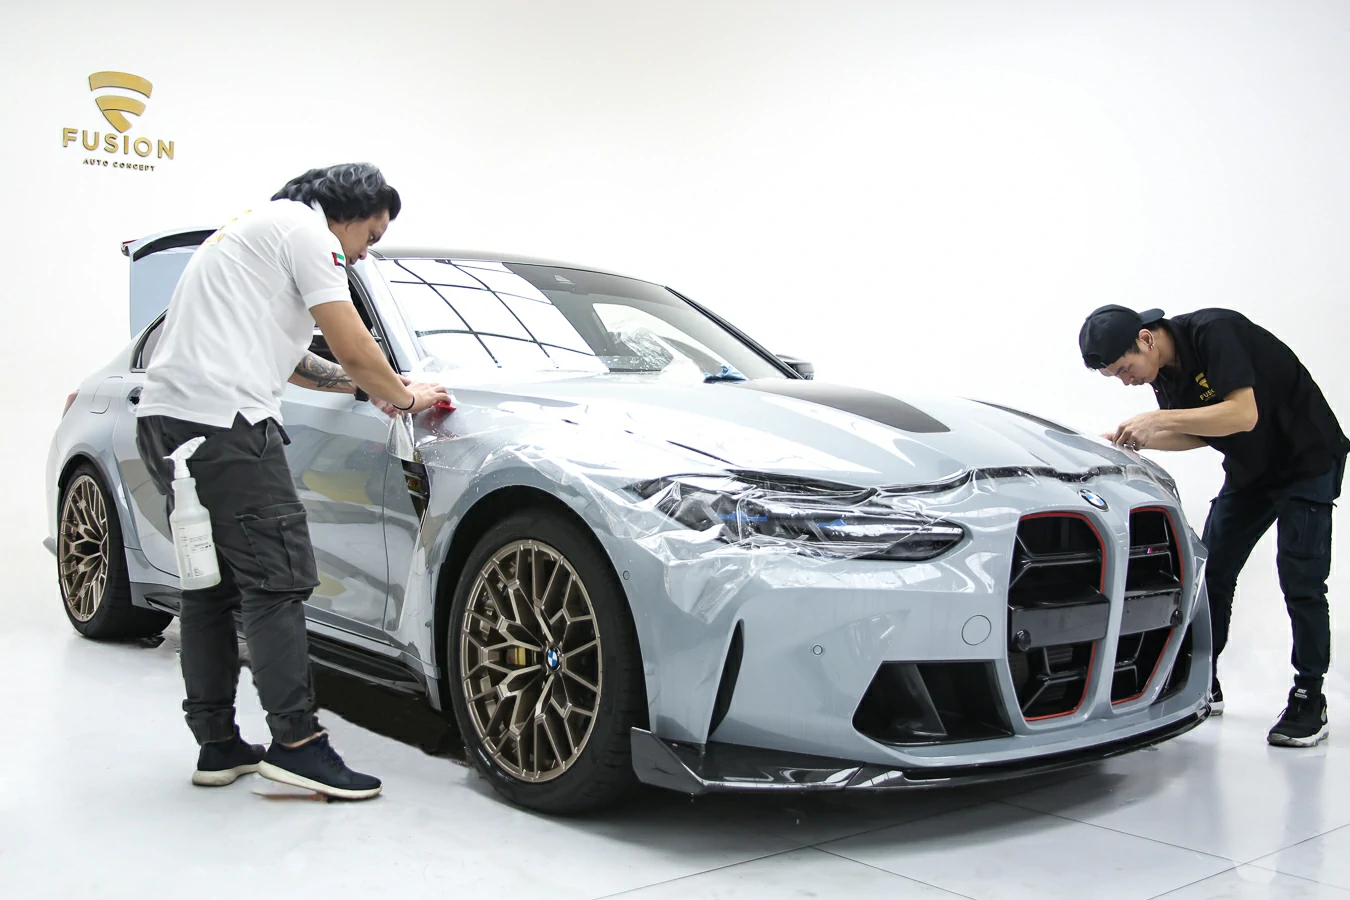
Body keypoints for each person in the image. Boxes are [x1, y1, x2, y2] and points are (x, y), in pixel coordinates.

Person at [135, 163, 451, 798]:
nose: (363, 254)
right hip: (226, 428)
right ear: (347, 212)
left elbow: (301, 362)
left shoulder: (256, 229)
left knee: (211, 587)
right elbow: (352, 343)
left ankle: (218, 745)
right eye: (370, 236)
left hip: (170, 424)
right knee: (277, 583)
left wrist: (369, 388)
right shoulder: (310, 234)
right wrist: (406, 396)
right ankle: (298, 745)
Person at [1079, 304, 1347, 748]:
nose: (1127, 382)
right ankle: (1201, 678)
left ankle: (1309, 697)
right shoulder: (1162, 373)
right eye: (1116, 377)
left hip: (1307, 460)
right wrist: (1134, 441)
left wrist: (1157, 420)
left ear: (1146, 339)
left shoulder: (1215, 332)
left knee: (1301, 581)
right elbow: (1202, 432)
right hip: (1252, 470)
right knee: (1211, 574)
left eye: (1125, 370)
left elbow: (1242, 415)